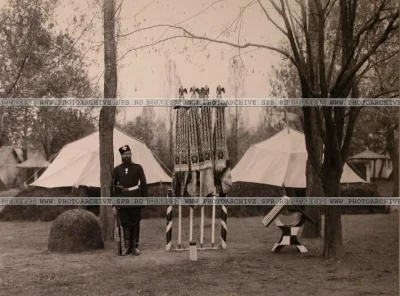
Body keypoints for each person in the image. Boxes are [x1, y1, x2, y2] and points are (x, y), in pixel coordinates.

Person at [111, 144, 148, 256]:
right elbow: (112, 187)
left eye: (128, 154)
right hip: (122, 199)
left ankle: (135, 246)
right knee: (125, 223)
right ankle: (127, 247)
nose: (127, 156)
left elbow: (144, 184)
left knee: (135, 222)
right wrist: (113, 204)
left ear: (131, 154)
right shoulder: (117, 169)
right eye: (124, 154)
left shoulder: (138, 167)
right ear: (121, 156)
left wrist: (144, 199)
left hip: (136, 197)